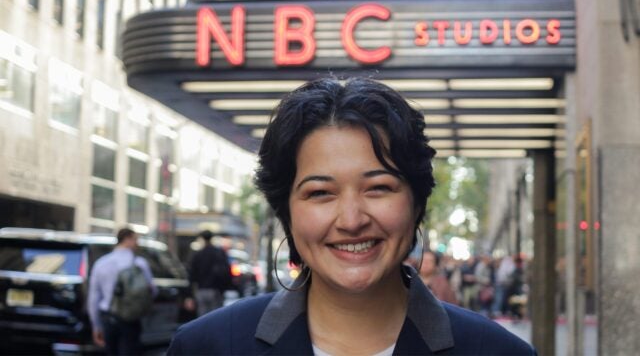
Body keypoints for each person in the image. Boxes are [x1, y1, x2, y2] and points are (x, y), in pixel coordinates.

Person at [167, 77, 535, 355]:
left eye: (378, 187)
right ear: (287, 212)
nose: (351, 219)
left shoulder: (498, 351)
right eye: (320, 193)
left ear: (417, 204)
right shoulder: (206, 346)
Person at [88, 228, 156, 355]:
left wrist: (96, 325)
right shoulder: (139, 263)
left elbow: (94, 298)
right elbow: (152, 291)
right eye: (136, 240)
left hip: (108, 318)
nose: (137, 244)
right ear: (128, 239)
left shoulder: (101, 263)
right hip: (131, 319)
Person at [188, 230, 232, 316]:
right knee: (216, 317)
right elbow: (226, 271)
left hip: (201, 290)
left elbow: (192, 274)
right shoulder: (219, 253)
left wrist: (190, 293)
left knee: (203, 317)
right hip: (216, 290)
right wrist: (224, 288)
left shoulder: (198, 254)